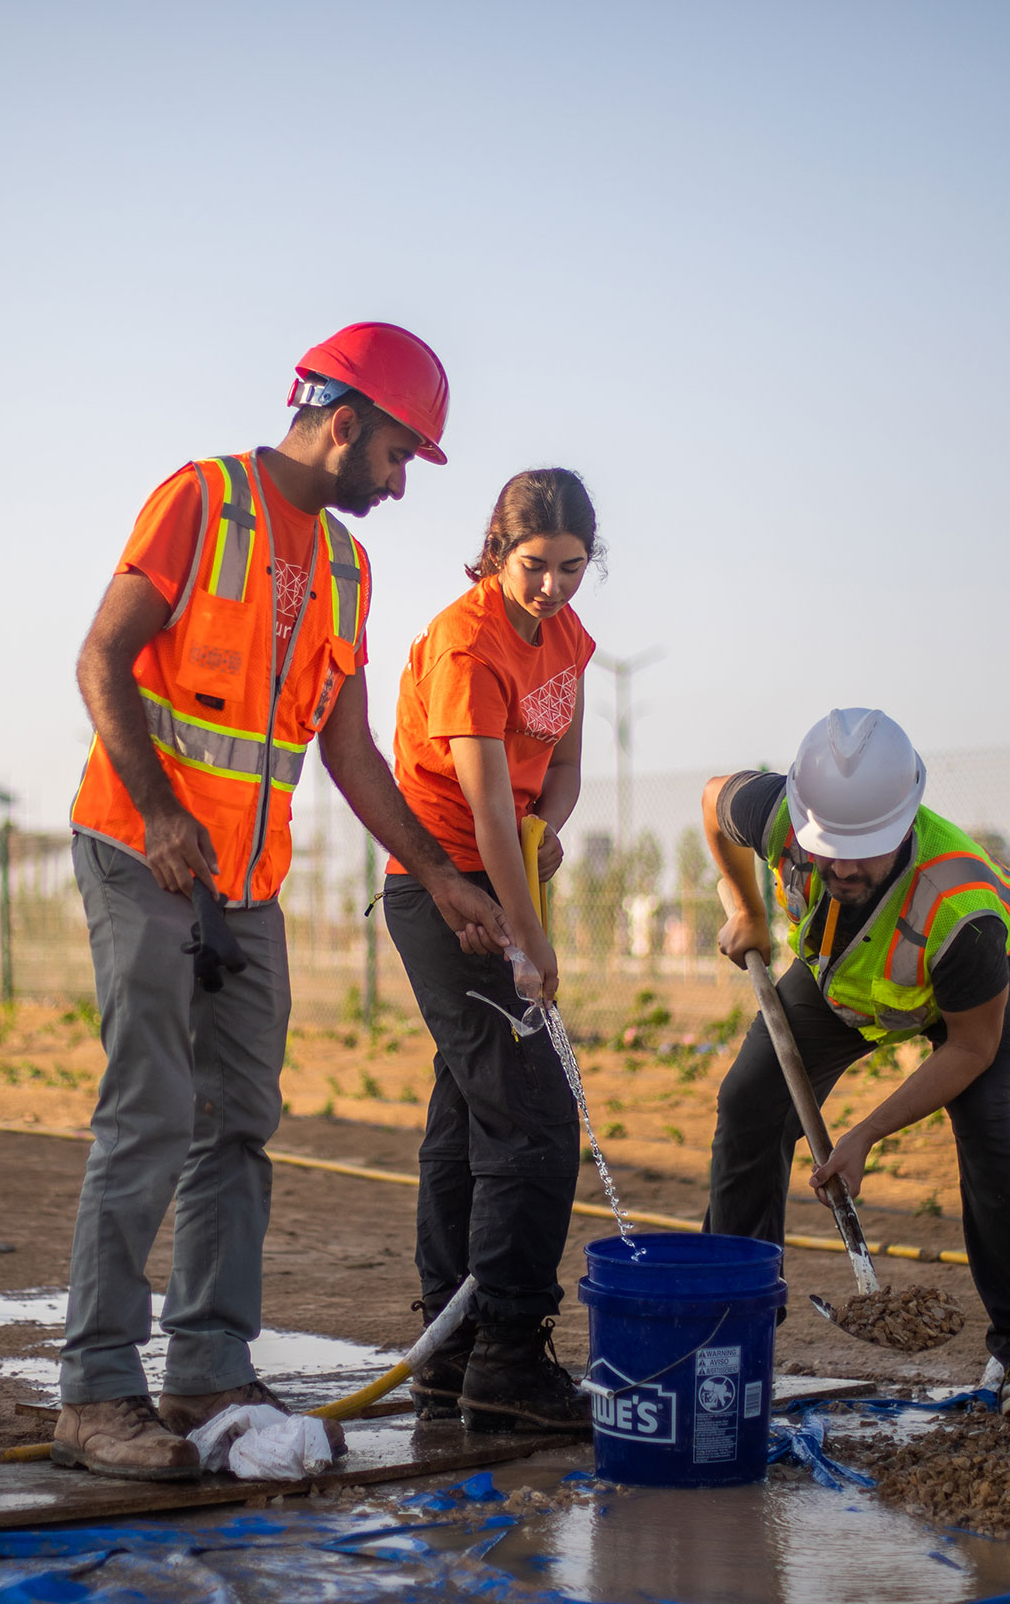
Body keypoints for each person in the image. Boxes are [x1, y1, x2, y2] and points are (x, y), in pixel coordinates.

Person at [61, 323, 513, 1480]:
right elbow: (102, 658)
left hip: (245, 886)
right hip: (138, 850)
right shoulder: (200, 500)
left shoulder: (350, 570)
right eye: (400, 454)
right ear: (345, 421)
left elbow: (351, 751)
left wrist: (441, 873)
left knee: (240, 1120)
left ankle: (207, 1363)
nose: (403, 482)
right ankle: (96, 1390)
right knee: (149, 1113)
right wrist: (161, 812)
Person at [701, 708, 1010, 1418]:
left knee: (984, 1114)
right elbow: (711, 798)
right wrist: (745, 906)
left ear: (904, 822)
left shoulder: (962, 913)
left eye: (862, 850)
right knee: (751, 1100)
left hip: (969, 988)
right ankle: (733, 1325)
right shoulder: (778, 812)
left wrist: (864, 1132)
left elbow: (971, 1047)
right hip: (846, 973)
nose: (840, 866)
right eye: (827, 846)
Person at [385, 468, 599, 1435]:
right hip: (452, 894)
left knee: (472, 1106)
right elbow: (482, 810)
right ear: (496, 551)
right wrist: (528, 937)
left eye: (571, 565)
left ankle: (450, 1352)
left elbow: (561, 772)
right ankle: (509, 1354)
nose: (552, 586)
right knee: (536, 1120)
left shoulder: (568, 639)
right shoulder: (466, 643)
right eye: (534, 565)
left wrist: (551, 826)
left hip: (508, 875)